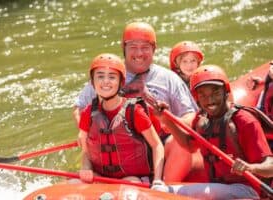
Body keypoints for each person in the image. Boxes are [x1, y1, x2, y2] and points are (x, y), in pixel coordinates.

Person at [73, 22, 198, 182]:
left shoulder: (168, 79)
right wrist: (85, 132)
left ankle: (164, 185)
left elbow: (191, 116)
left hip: (156, 141)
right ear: (123, 47)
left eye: (145, 47)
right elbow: (80, 108)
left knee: (179, 142)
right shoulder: (108, 75)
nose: (139, 53)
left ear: (154, 48)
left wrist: (166, 122)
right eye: (133, 46)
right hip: (117, 145)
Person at [152, 65, 272, 199]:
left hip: (246, 190)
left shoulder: (245, 121)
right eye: (203, 95)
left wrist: (250, 168)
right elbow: (189, 146)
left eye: (215, 93)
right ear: (196, 98)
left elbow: (270, 167)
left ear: (226, 91)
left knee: (165, 191)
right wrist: (165, 120)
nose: (209, 100)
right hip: (219, 187)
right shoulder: (202, 119)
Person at [78, 53, 164, 186]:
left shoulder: (134, 112)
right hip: (101, 177)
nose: (105, 81)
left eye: (112, 77)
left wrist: (158, 180)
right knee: (75, 183)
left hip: (133, 178)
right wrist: (86, 168)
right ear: (92, 82)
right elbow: (86, 151)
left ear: (121, 82)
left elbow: (156, 145)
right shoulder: (87, 113)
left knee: (129, 184)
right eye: (100, 76)